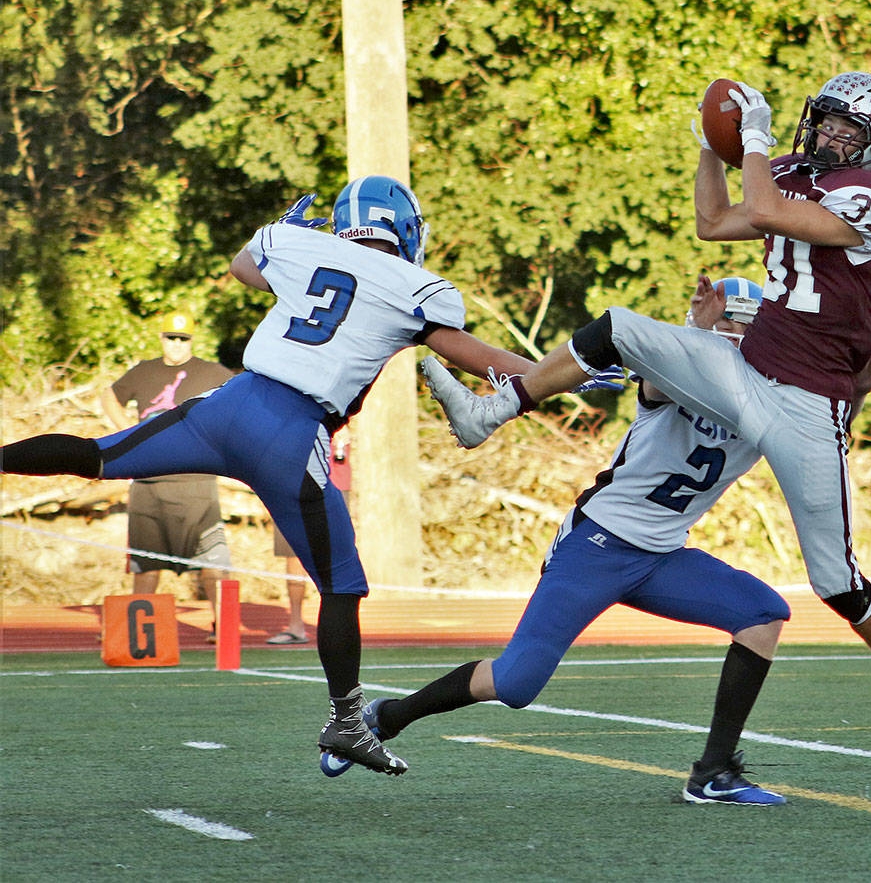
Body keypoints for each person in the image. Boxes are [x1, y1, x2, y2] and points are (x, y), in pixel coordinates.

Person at [421, 72, 871, 772]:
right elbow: (714, 222)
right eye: (824, 121)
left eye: (846, 130)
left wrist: (756, 142)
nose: (828, 136)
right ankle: (498, 405)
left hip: (807, 400)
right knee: (617, 326)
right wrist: (712, 144)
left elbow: (766, 213)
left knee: (835, 578)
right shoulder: (793, 170)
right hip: (748, 370)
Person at [1, 176, 536, 776]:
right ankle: (347, 722)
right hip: (291, 429)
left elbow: (244, 266)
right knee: (341, 586)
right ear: (406, 228)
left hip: (227, 406)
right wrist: (553, 373)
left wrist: (288, 235)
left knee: (99, 454)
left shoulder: (300, 246)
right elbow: (473, 354)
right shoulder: (416, 286)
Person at [329, 275, 871, 804]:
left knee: (762, 612)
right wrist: (698, 326)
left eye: (747, 332)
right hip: (598, 544)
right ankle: (390, 715)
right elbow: (655, 374)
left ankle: (714, 772)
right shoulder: (681, 370)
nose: (741, 343)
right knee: (518, 681)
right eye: (735, 329)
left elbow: (824, 445)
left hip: (662, 554)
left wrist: (859, 392)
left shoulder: (773, 401)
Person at [101, 312, 234, 642]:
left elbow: (241, 400)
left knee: (215, 564)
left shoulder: (212, 372)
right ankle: (139, 635)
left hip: (197, 485)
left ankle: (225, 628)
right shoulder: (144, 370)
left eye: (183, 338)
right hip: (150, 485)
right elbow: (109, 396)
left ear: (192, 339)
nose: (176, 344)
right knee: (146, 565)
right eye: (171, 338)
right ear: (161, 338)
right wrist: (127, 433)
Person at [265, 428, 350, 646]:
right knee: (293, 557)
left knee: (336, 558)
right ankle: (296, 626)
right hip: (291, 484)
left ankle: (342, 628)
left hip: (332, 482)